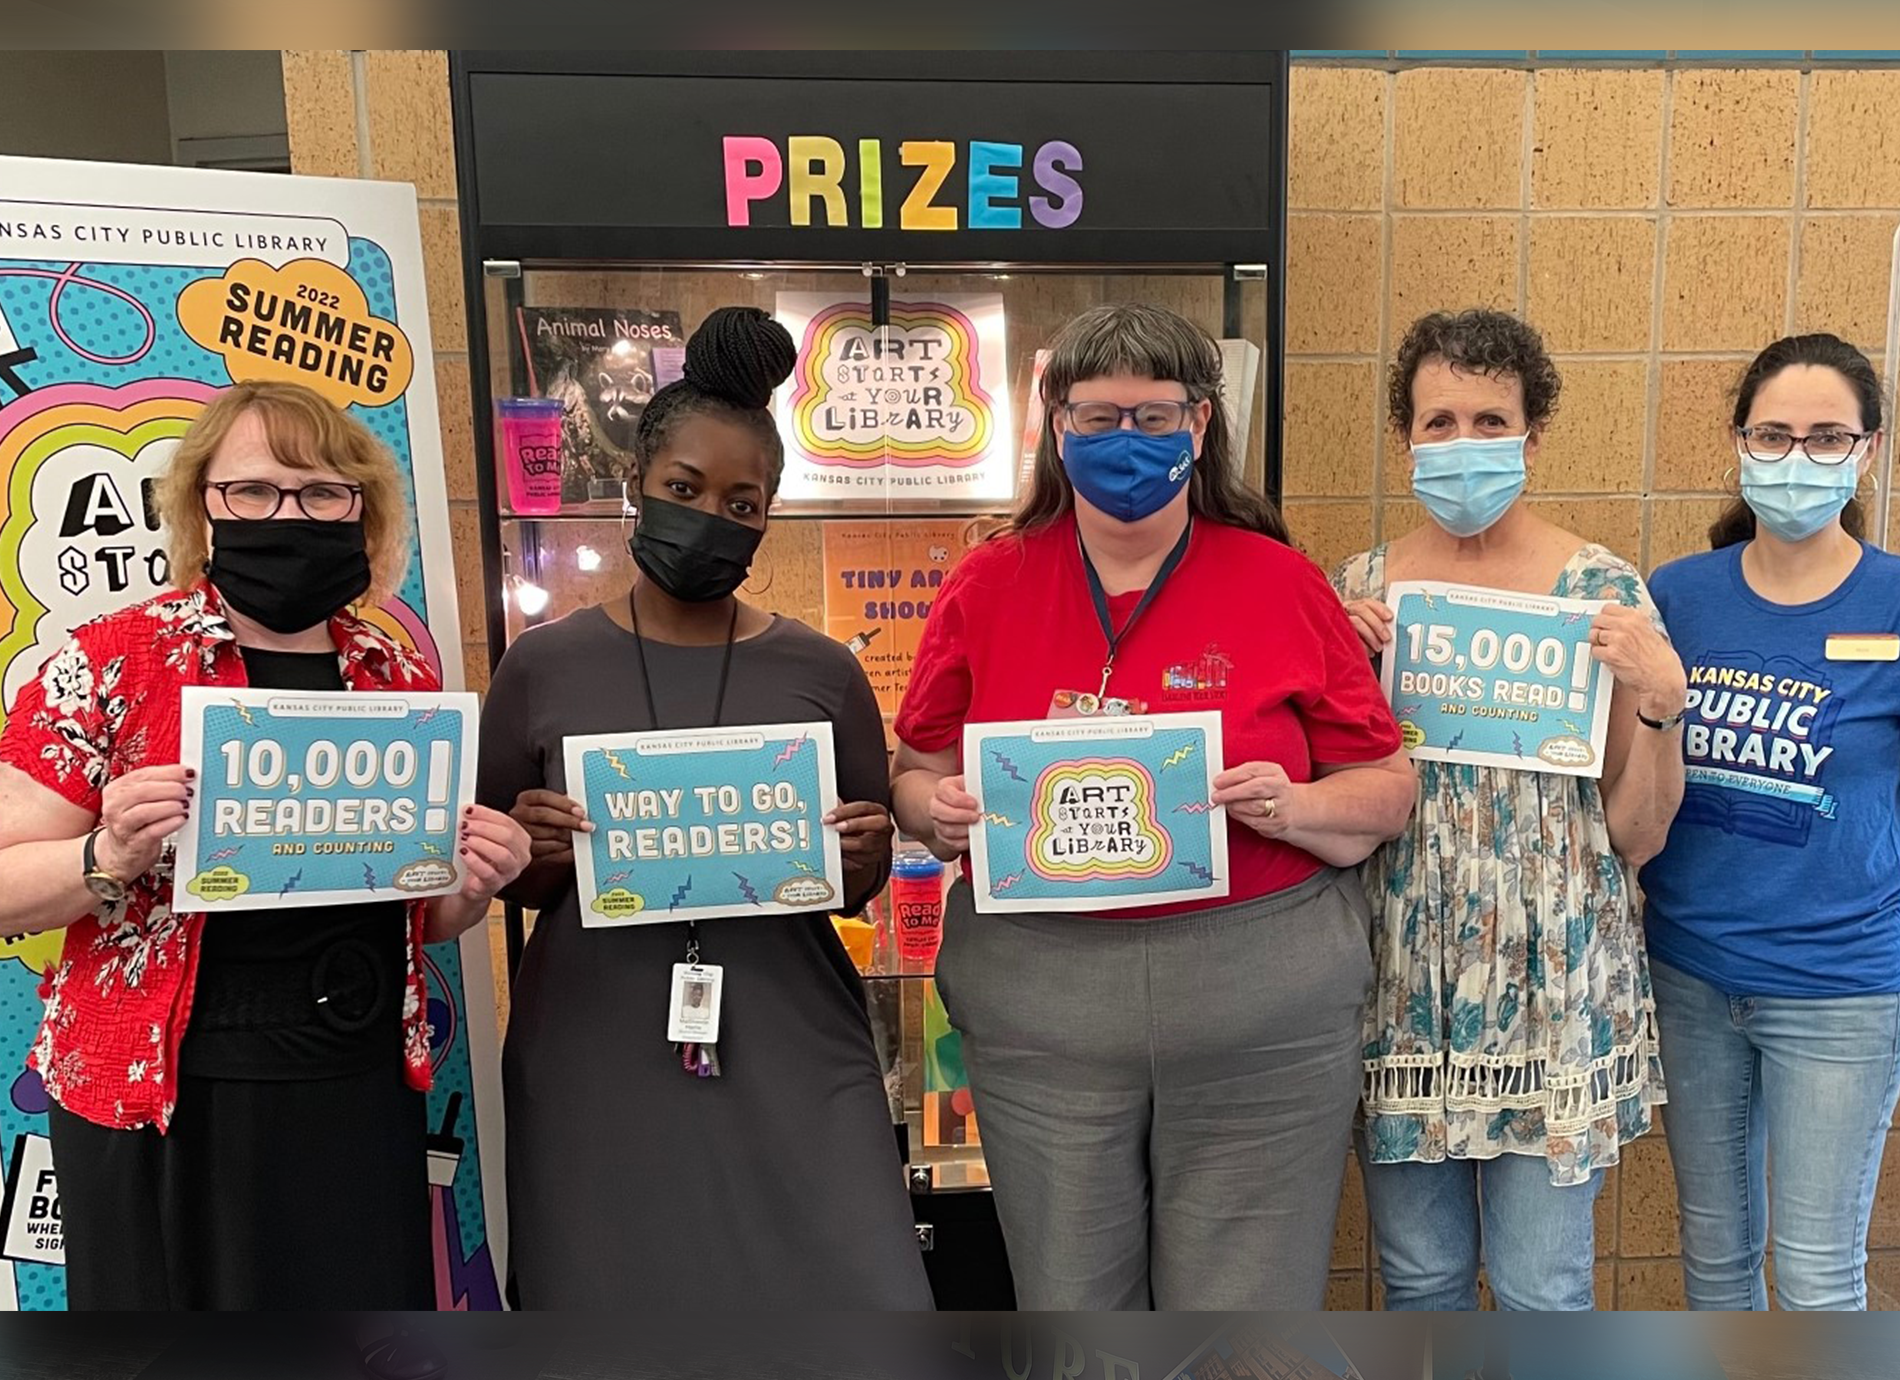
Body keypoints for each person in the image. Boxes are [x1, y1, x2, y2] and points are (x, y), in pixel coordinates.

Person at [890, 302, 1417, 1310]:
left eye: (1153, 416)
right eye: (1096, 418)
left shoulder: (1280, 580)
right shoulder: (986, 585)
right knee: (1070, 1301)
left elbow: (1386, 790)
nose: (1123, 441)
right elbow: (913, 769)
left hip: (1258, 1010)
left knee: (1245, 1315)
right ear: (1054, 426)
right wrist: (933, 809)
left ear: (1201, 426)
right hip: (1041, 1019)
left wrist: (1292, 803)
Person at [0, 380, 531, 1309]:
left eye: (323, 492)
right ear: (203, 503)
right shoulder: (105, 662)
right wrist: (106, 858)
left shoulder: (396, 671)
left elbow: (422, 913)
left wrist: (476, 883)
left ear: (361, 509)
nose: (290, 514)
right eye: (255, 491)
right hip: (165, 1095)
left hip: (354, 1080)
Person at [478, 307, 932, 1310]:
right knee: (612, 1300)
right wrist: (531, 839)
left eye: (743, 501)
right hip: (597, 1043)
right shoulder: (541, 666)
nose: (709, 516)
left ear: (768, 514)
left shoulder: (823, 672)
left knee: (851, 1296)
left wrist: (862, 849)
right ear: (636, 482)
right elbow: (492, 866)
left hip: (788, 1035)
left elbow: (855, 879)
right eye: (684, 489)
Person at [1333, 308, 1685, 1311]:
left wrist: (1659, 705)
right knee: (1419, 1276)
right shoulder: (1359, 591)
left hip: (1554, 983)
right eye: (1436, 422)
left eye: (1489, 421)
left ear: (1532, 438)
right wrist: (1342, 678)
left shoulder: (1602, 595)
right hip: (1403, 976)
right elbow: (1330, 806)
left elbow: (1634, 832)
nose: (1461, 444)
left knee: (1543, 1285)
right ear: (1405, 438)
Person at [1640, 333, 1900, 1311]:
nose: (1797, 459)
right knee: (1714, 1263)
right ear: (1738, 443)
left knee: (1818, 1274)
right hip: (1691, 975)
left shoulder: (1893, 601)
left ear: (1867, 450)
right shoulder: (1677, 595)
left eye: (1826, 437)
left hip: (1839, 993)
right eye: (1774, 434)